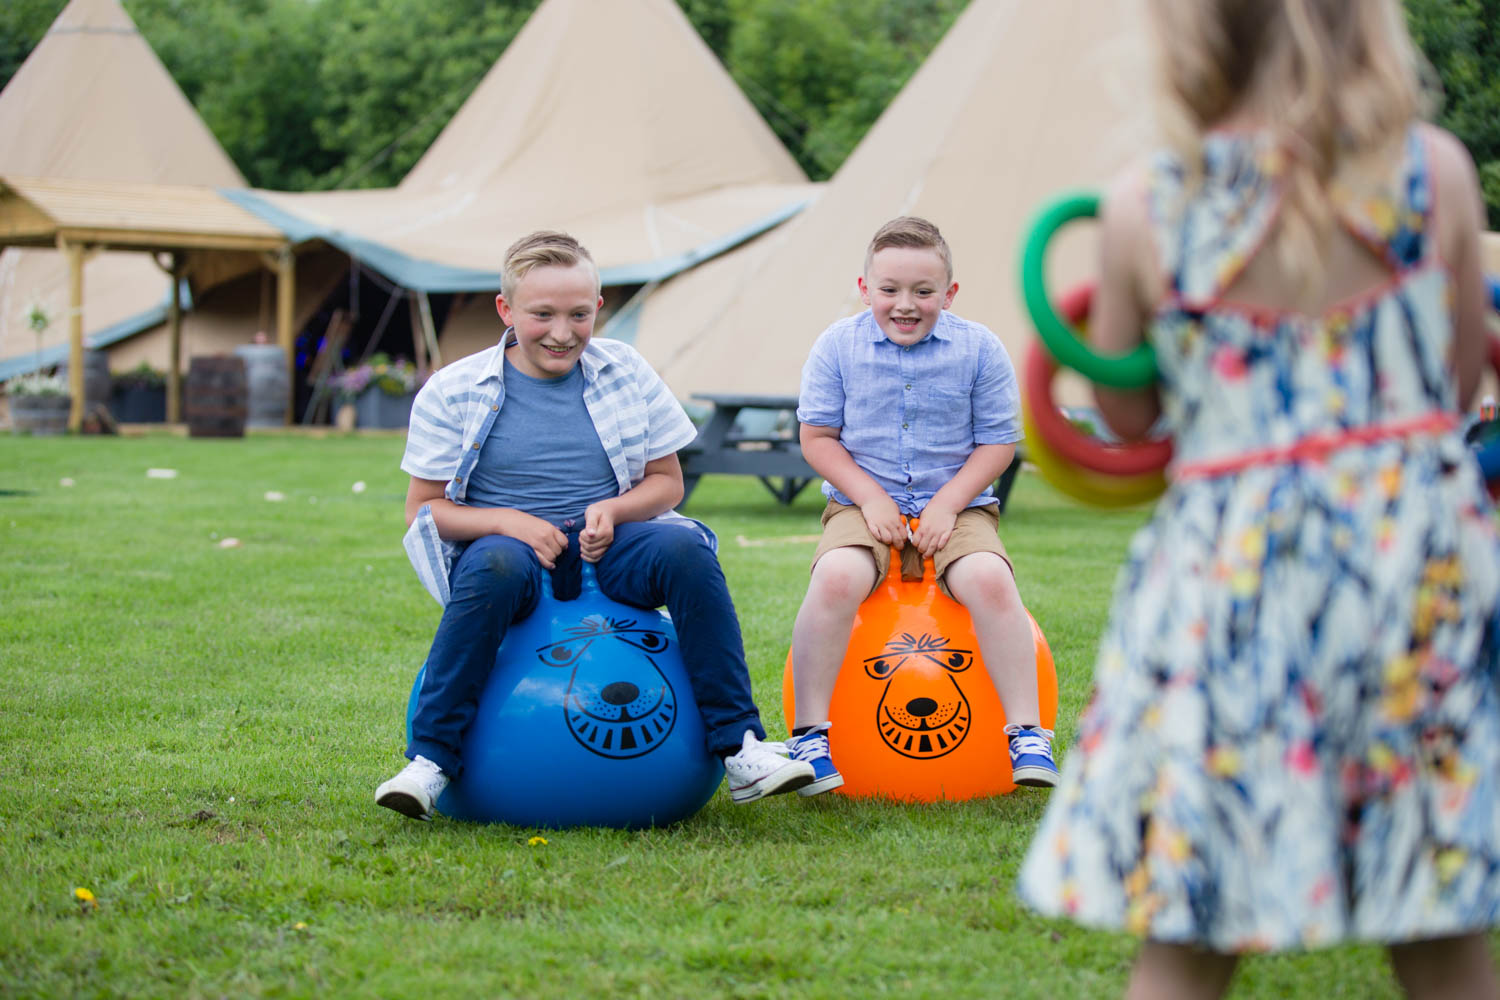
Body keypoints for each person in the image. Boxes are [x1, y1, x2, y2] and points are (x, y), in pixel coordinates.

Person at [1015, 1, 1500, 997]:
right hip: (1410, 570)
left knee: (1188, 923)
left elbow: (1127, 404)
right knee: (1439, 909)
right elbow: (1455, 384)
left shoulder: (1147, 204)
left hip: (1232, 575)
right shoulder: (1433, 172)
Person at [376, 231, 814, 819]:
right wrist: (510, 523)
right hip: (512, 554)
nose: (562, 332)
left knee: (686, 549)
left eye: (579, 314)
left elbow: (668, 482)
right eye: (543, 315)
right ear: (506, 310)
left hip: (611, 546)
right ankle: (431, 762)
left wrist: (613, 510)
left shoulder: (625, 371)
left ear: (598, 308)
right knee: (494, 566)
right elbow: (425, 510)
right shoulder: (453, 391)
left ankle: (739, 747)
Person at [787, 216, 1055, 796]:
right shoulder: (837, 346)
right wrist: (871, 497)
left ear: (949, 293)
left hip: (957, 506)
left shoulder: (980, 348)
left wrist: (949, 505)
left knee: (988, 578)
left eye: (923, 292)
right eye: (889, 290)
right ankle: (809, 734)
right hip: (863, 500)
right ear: (865, 288)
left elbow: (998, 444)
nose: (905, 304)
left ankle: (1028, 734)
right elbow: (817, 439)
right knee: (836, 576)